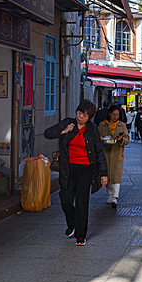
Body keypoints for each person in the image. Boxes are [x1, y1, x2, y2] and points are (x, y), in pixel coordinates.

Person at [44, 100, 108, 246]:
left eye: (84, 115)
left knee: (81, 202)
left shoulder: (92, 129)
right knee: (65, 199)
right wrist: (63, 131)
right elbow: (47, 133)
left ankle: (81, 235)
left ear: (89, 117)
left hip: (85, 169)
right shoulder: (68, 123)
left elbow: (99, 152)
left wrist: (103, 173)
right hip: (68, 168)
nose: (80, 117)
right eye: (79, 113)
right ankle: (72, 224)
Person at [97, 104, 129, 208]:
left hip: (117, 153)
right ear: (109, 114)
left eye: (117, 115)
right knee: (108, 174)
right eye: (113, 114)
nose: (115, 117)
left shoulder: (121, 125)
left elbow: (127, 138)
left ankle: (115, 196)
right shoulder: (102, 125)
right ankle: (110, 194)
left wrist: (121, 139)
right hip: (105, 153)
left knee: (116, 174)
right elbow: (97, 138)